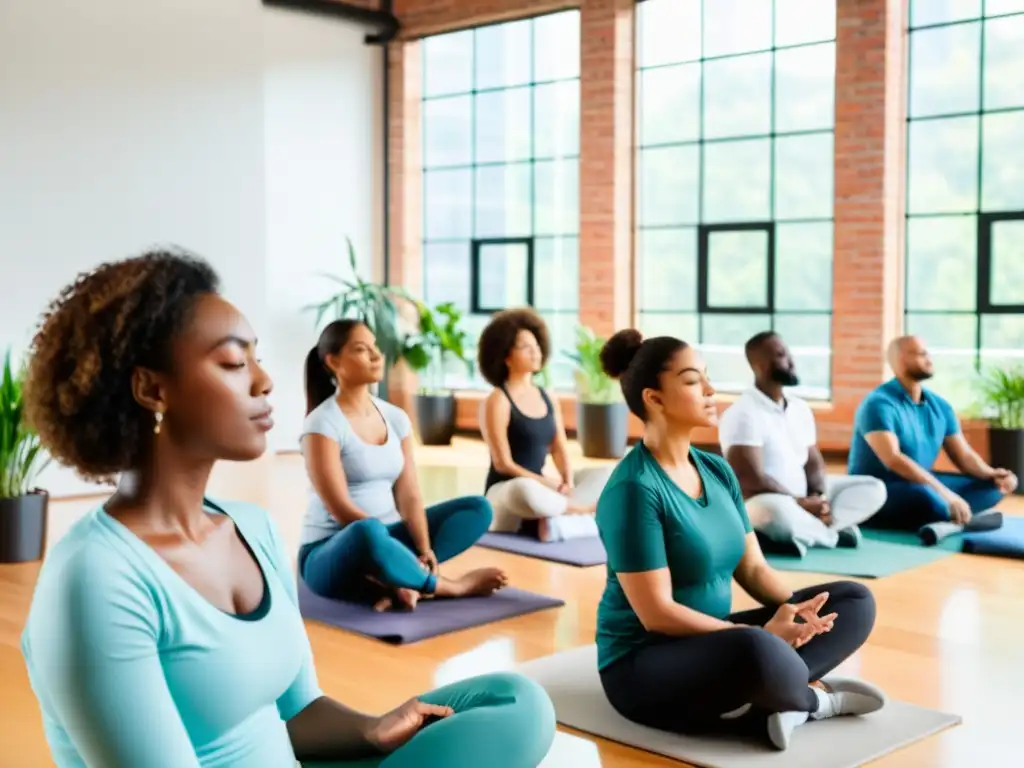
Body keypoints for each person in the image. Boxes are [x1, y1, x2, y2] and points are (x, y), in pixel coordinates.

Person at [19, 250, 555, 768]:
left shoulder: (253, 528)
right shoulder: (94, 578)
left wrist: (373, 728)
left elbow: (296, 711)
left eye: (254, 356)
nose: (263, 380)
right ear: (151, 388)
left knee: (516, 702)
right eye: (233, 361)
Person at [593, 328, 885, 751]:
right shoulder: (634, 490)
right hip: (644, 664)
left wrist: (796, 612)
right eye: (693, 381)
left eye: (707, 377)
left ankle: (775, 694)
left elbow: (752, 568)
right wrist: (769, 636)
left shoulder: (717, 470)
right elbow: (656, 614)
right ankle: (813, 700)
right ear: (653, 398)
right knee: (755, 649)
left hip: (717, 639)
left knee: (855, 600)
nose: (711, 390)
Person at [301, 319, 507, 611]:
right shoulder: (321, 424)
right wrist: (394, 552)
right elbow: (341, 509)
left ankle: (396, 581)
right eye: (362, 349)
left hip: (388, 540)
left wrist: (423, 549)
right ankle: (448, 586)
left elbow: (409, 493)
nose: (376, 355)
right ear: (333, 361)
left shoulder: (395, 418)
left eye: (375, 347)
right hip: (330, 554)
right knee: (367, 530)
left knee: (478, 508)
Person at [719, 332, 887, 556]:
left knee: (873, 488)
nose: (791, 361)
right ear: (760, 365)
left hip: (804, 499)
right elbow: (749, 479)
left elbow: (813, 462)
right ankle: (831, 534)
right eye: (781, 355)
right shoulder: (743, 412)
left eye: (789, 353)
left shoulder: (799, 408)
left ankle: (806, 532)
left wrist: (819, 497)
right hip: (764, 501)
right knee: (775, 512)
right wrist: (799, 502)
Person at [848, 335, 1016, 541]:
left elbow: (963, 455)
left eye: (927, 353)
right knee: (927, 498)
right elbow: (893, 459)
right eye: (921, 354)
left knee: (992, 488)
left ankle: (948, 521)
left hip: (920, 482)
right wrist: (946, 494)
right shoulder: (878, 404)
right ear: (901, 360)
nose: (929, 359)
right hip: (880, 489)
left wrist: (993, 474)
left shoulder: (940, 405)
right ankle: (956, 518)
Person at [477, 308, 612, 542]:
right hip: (508, 491)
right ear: (506, 356)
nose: (535, 352)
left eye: (536, 345)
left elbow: (559, 448)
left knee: (606, 474)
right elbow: (503, 464)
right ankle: (583, 514)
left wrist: (567, 481)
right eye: (526, 347)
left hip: (545, 489)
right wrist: (547, 483)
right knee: (526, 489)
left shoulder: (548, 396)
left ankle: (557, 521)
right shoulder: (498, 399)